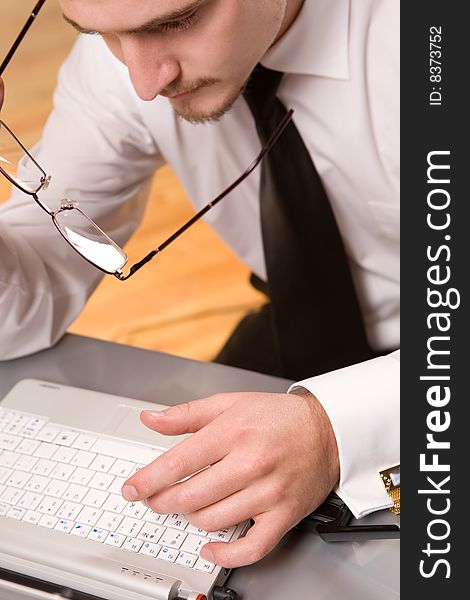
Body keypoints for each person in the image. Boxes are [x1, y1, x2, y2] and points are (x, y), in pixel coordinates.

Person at [0, 0, 399, 569]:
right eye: (96, 34)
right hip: (303, 327)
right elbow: (23, 308)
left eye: (177, 21)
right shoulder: (123, 46)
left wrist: (335, 429)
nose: (142, 82)